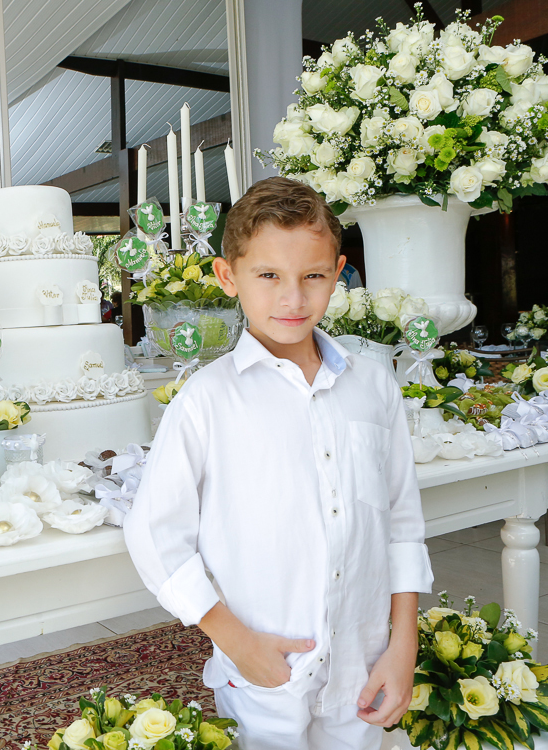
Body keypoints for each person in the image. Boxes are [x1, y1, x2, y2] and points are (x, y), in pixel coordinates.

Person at [124, 176, 432, 750]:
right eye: (268, 276)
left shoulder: (374, 386)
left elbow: (402, 522)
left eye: (313, 276)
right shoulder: (206, 400)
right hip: (264, 672)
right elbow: (153, 533)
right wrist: (234, 640)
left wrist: (403, 645)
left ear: (338, 274)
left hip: (363, 667)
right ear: (228, 276)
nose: (293, 299)